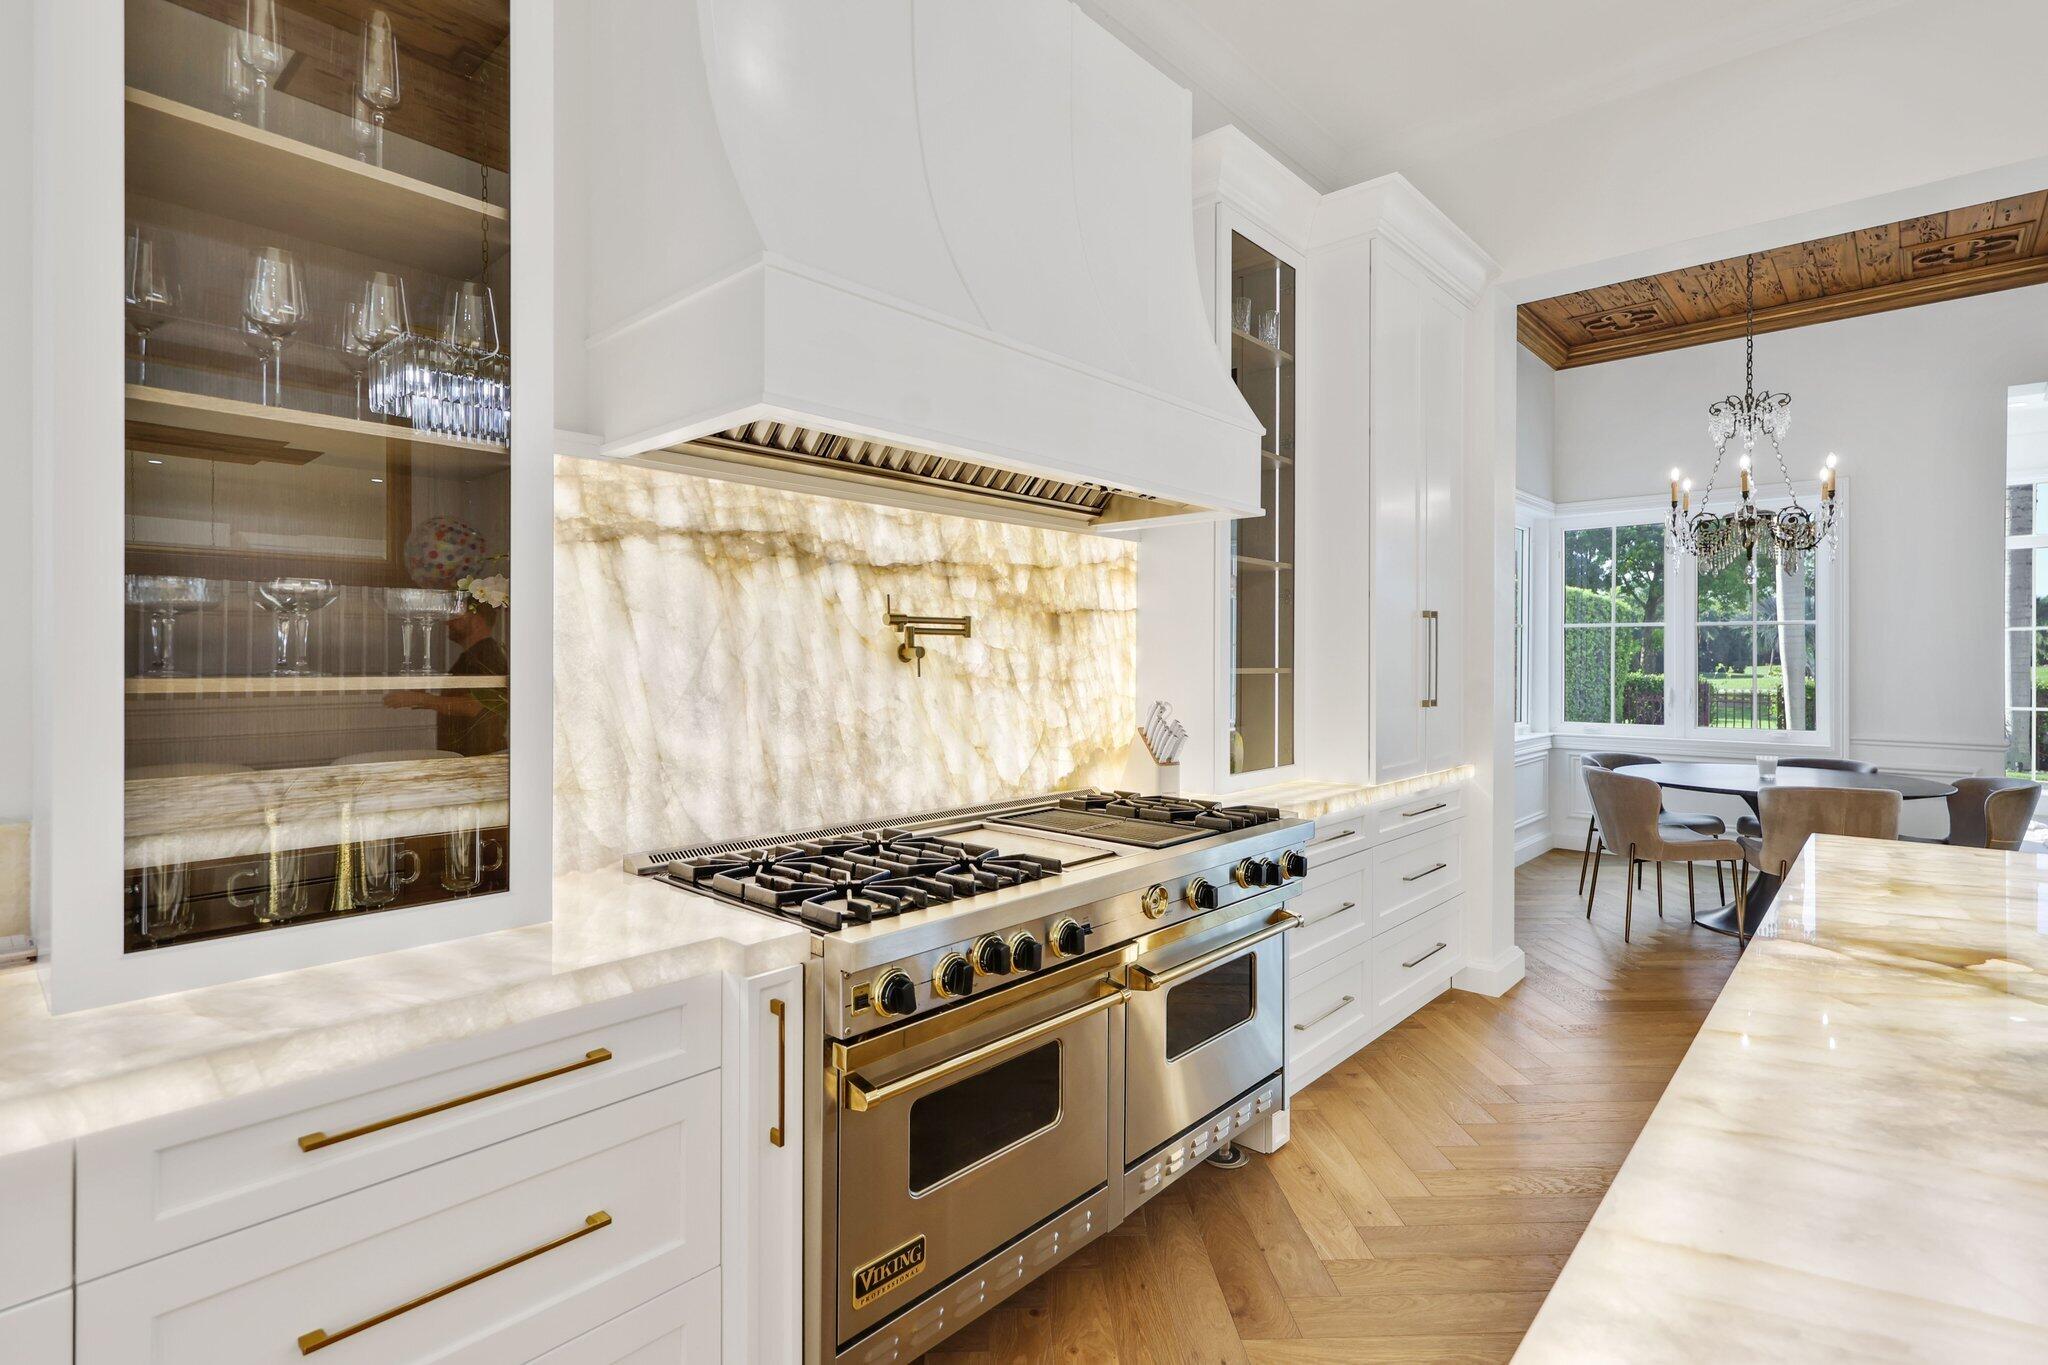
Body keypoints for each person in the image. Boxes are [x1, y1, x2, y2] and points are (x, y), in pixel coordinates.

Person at [383, 600, 509, 755]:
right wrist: (426, 699)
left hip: (478, 755)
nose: (448, 622)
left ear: (476, 622)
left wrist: (418, 699)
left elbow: (475, 705)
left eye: (456, 617)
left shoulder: (486, 654)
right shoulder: (475, 655)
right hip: (469, 754)